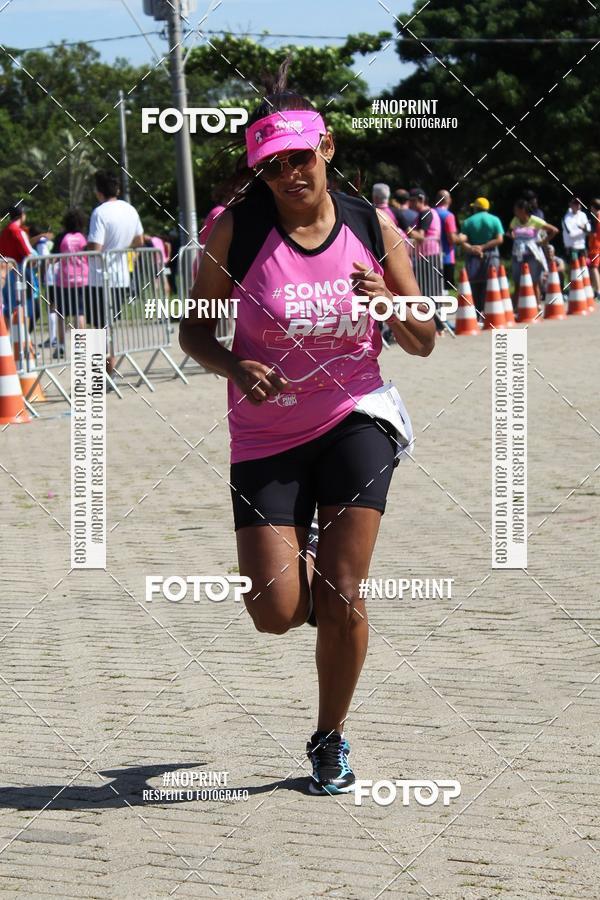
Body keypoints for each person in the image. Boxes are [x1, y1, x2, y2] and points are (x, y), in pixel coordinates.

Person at [179, 60, 436, 796]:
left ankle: (329, 739)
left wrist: (387, 298)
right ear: (259, 170)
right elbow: (194, 334)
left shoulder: (370, 224)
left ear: (326, 151)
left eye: (301, 158)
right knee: (276, 610)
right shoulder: (237, 230)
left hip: (357, 414)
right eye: (273, 165)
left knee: (347, 591)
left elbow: (422, 339)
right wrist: (235, 366)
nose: (290, 174)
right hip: (266, 433)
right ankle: (308, 558)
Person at [86, 170, 144, 373]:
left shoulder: (100, 212)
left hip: (100, 279)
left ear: (97, 191)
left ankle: (104, 370)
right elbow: (139, 241)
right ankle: (107, 368)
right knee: (108, 325)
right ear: (117, 188)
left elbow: (95, 248)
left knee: (98, 327)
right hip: (121, 278)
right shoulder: (130, 210)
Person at [53, 208, 89, 356]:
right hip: (82, 278)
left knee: (61, 314)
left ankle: (61, 345)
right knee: (80, 313)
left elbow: (53, 256)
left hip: (64, 279)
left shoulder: (61, 237)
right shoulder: (84, 237)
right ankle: (81, 346)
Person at [509, 199, 558, 305]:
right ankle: (515, 307)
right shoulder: (515, 220)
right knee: (517, 282)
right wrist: (515, 239)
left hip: (532, 255)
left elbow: (554, 230)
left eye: (516, 210)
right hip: (518, 254)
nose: (514, 212)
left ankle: (537, 305)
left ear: (523, 210)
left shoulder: (535, 220)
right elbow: (510, 231)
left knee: (534, 282)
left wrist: (543, 242)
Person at [459, 197, 504, 313]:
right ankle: (490, 312)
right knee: (491, 284)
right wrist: (484, 247)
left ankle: (476, 312)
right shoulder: (495, 220)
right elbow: (499, 239)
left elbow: (462, 241)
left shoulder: (468, 221)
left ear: (476, 208)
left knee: (474, 284)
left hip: (473, 255)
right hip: (492, 254)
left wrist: (474, 248)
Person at [434, 189, 460, 291]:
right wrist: (461, 238)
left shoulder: (430, 213)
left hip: (431, 255)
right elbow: (452, 239)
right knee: (446, 289)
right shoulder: (449, 216)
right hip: (447, 257)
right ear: (449, 200)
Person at [561, 197, 591, 262]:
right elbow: (571, 234)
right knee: (576, 270)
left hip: (582, 247)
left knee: (585, 269)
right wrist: (583, 229)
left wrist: (584, 229)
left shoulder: (583, 215)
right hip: (572, 247)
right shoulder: (566, 218)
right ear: (570, 205)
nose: (578, 205)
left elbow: (589, 230)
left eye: (579, 203)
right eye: (576, 203)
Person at [588, 199, 600, 299]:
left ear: (593, 207)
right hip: (597, 245)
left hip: (596, 246)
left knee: (593, 267)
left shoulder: (597, 216)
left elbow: (595, 233)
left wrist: (584, 229)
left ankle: (598, 291)